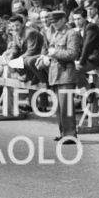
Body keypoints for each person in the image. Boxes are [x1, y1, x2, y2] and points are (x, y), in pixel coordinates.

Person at [37, 8, 80, 143]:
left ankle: (70, 135)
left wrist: (54, 53)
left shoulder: (71, 33)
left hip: (66, 73)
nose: (54, 24)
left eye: (56, 21)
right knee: (59, 107)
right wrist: (46, 57)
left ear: (63, 20)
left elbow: (72, 54)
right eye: (52, 21)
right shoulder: (55, 34)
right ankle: (63, 133)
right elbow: (48, 50)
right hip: (55, 73)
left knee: (66, 106)